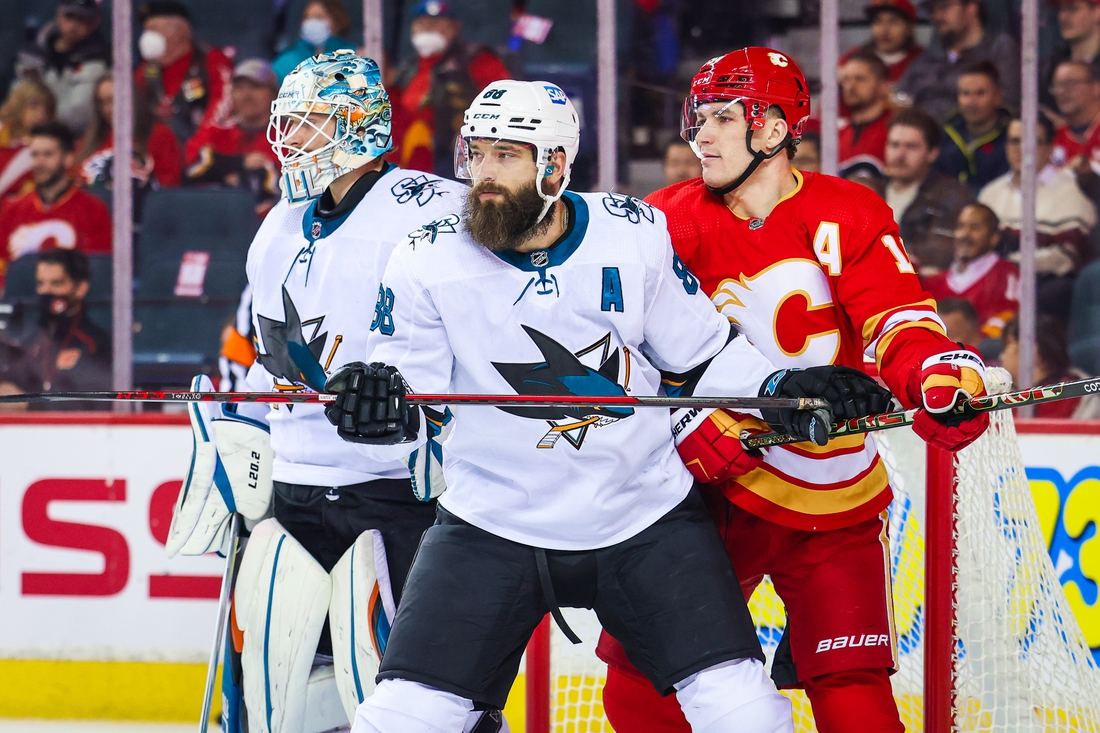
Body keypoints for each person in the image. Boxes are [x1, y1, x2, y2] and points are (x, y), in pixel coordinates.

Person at [327, 78, 886, 733]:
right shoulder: (424, 257)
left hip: (643, 515)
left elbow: (700, 353)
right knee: (401, 720)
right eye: (475, 152)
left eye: (506, 155)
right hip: (490, 520)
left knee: (747, 714)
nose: (482, 172)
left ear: (555, 164)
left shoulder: (632, 232)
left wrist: (780, 389)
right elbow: (414, 403)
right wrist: (376, 404)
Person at [594, 47, 990, 733]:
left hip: (832, 492)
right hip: (705, 492)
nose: (702, 136)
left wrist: (934, 372)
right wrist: (685, 424)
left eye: (724, 117)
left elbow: (897, 317)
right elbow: (618, 353)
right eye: (700, 117)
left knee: (852, 689)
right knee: (642, 681)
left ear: (774, 130)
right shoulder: (662, 222)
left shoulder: (848, 212)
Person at [164, 50, 500, 733]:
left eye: (309, 122)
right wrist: (234, 427)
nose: (289, 138)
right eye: (288, 121)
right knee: (273, 692)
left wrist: (420, 402)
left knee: (425, 699)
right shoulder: (277, 225)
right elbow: (264, 356)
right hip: (292, 495)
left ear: (361, 124)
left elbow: (485, 335)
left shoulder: (433, 208)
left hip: (401, 498)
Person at [979, 114, 1096, 322]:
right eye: (1015, 141)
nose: (1021, 148)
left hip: (1041, 289)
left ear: (1050, 148)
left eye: (1031, 141)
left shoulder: (1072, 190)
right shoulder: (990, 194)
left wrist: (1008, 266)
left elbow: (1066, 257)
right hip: (990, 287)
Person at [389, 0, 511, 177]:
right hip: (407, 155)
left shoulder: (476, 60)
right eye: (421, 23)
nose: (428, 28)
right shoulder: (406, 68)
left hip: (452, 157)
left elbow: (504, 102)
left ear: (454, 28)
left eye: (437, 23)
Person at [0, 122, 111, 290]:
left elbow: (97, 272)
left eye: (47, 154)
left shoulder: (92, 209)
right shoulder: (12, 209)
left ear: (68, 158)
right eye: (35, 155)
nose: (39, 162)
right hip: (21, 308)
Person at [0, 249, 110, 407]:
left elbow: (92, 401)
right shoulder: (25, 337)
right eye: (40, 284)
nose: (46, 291)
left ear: (81, 289)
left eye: (56, 283)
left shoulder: (96, 342)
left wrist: (30, 406)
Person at [896, 0, 1020, 123]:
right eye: (932, 11)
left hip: (972, 136)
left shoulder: (998, 49)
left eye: (944, 7)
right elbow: (899, 97)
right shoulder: (927, 58)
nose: (937, 16)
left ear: (971, 8)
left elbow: (1008, 105)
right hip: (919, 134)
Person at [184, 59, 281, 215]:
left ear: (274, 94)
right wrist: (240, 163)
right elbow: (191, 168)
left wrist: (220, 166)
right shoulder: (215, 133)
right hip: (215, 219)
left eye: (255, 87)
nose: (246, 95)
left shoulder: (290, 136)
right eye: (239, 88)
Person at [884, 108, 974, 274]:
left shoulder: (952, 196)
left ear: (932, 153)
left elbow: (937, 257)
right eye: (894, 145)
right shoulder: (870, 191)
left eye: (911, 147)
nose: (900, 155)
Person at [134, 0, 234, 146]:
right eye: (146, 31)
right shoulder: (146, 70)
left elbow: (223, 104)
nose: (147, 38)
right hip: (159, 149)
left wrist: (197, 144)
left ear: (180, 30)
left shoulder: (211, 59)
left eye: (154, 30)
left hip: (203, 146)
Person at [13, 0, 110, 135]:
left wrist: (39, 116)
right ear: (59, 14)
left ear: (95, 22)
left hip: (75, 141)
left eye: (82, 19)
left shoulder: (99, 58)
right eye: (69, 16)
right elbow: (17, 97)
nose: (73, 25)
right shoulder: (36, 51)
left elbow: (78, 115)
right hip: (26, 136)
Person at [923, 203, 1019, 338]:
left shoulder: (1007, 274)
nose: (964, 234)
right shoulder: (932, 283)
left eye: (975, 228)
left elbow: (1008, 319)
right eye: (960, 227)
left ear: (994, 238)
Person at [76, 74, 182, 190]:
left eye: (113, 100)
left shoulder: (160, 135)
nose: (107, 109)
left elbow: (169, 188)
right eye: (102, 103)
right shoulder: (87, 143)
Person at [1000, 316, 1100, 417]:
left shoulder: (1079, 397)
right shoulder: (1001, 396)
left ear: (1030, 351)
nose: (1001, 356)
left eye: (1006, 347)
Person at [935, 62, 1012, 192]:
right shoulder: (943, 135)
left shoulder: (1012, 138)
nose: (971, 102)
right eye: (965, 93)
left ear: (997, 97)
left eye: (980, 93)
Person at [838, 50, 893, 178]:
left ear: (884, 86)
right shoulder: (838, 134)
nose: (850, 86)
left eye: (860, 79)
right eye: (846, 79)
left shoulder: (896, 130)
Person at [840, 0, 924, 83]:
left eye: (893, 21)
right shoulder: (853, 58)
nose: (884, 30)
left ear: (910, 27)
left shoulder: (922, 61)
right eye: (878, 21)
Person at [0, 81, 56, 202]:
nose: (41, 114)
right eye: (34, 106)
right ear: (18, 106)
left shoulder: (45, 152)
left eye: (47, 109)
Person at [1041, 0, 1100, 114]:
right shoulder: (1050, 66)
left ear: (1097, 12)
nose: (1063, 17)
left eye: (1073, 9)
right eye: (1061, 10)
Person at [273, 0, 354, 82]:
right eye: (307, 17)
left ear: (338, 22)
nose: (311, 22)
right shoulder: (284, 63)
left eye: (318, 17)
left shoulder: (354, 58)